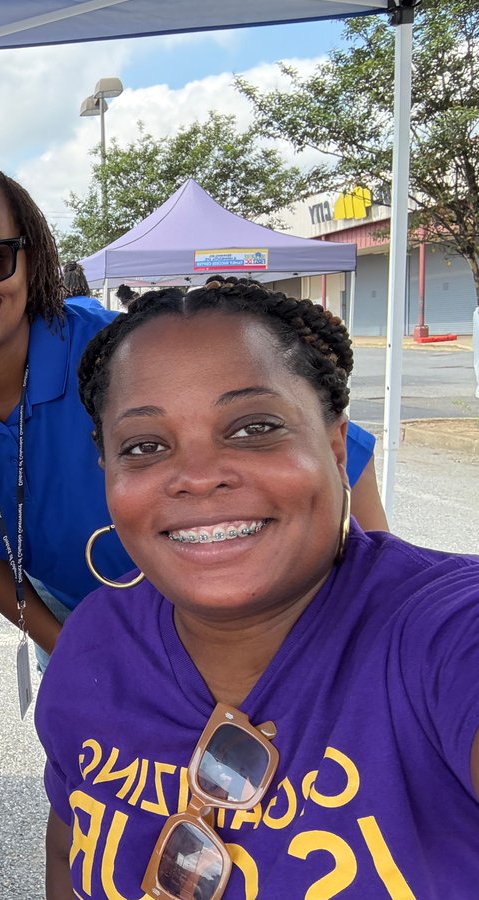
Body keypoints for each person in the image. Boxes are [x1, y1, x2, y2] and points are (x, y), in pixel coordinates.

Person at [38, 278, 479, 898]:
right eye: (145, 445)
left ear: (333, 446)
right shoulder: (94, 643)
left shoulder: (442, 632)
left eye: (253, 427)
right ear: (107, 469)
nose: (197, 477)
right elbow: (66, 852)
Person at [0, 155, 388, 673]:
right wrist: (73, 649)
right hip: (85, 619)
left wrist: (380, 614)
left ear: (32, 260)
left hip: (251, 615)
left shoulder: (119, 353)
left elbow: (339, 452)